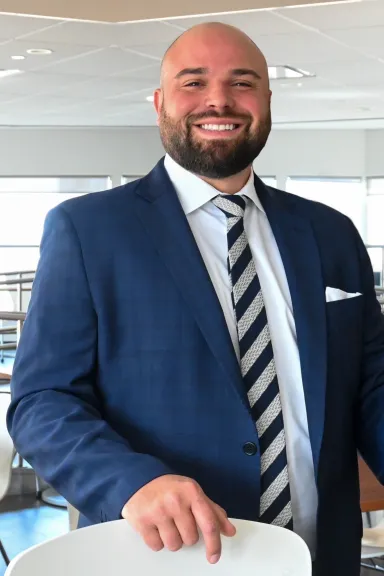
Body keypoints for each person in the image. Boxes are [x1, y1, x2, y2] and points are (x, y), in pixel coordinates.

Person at [6, 22, 384, 576]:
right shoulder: (88, 231)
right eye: (193, 82)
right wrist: (131, 481)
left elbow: (372, 383)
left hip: (321, 556)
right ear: (159, 102)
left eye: (243, 82)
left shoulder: (330, 232)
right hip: (165, 558)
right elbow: (42, 401)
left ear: (268, 100)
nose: (219, 100)